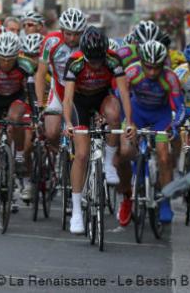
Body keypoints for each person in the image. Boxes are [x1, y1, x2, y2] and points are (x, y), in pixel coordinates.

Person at [61, 26, 132, 234]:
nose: (95, 64)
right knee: (81, 155)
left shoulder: (113, 59)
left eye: (99, 60)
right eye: (91, 60)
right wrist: (68, 123)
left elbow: (125, 93)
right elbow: (67, 99)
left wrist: (131, 122)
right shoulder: (74, 63)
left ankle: (109, 163)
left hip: (102, 98)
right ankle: (76, 211)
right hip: (80, 104)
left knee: (114, 112)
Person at [117, 40, 184, 226]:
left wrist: (175, 125)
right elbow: (119, 97)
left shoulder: (170, 77)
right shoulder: (132, 72)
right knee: (125, 149)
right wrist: (127, 121)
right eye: (148, 67)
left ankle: (165, 202)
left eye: (157, 68)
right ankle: (135, 176)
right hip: (136, 114)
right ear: (142, 62)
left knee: (163, 156)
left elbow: (180, 107)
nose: (153, 72)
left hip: (160, 118)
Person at [0, 32, 38, 218]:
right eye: (2, 59)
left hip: (15, 100)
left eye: (10, 59)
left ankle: (18, 156)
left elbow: (32, 94)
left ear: (17, 55)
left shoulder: (26, 65)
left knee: (15, 117)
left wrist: (36, 113)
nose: (6, 64)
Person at [34, 8, 86, 157]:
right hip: (58, 89)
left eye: (76, 34)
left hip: (79, 92)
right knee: (51, 133)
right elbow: (40, 74)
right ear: (61, 30)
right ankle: (59, 158)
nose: (71, 38)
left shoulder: (85, 44)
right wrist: (39, 103)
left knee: (79, 136)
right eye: (68, 33)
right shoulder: (50, 41)